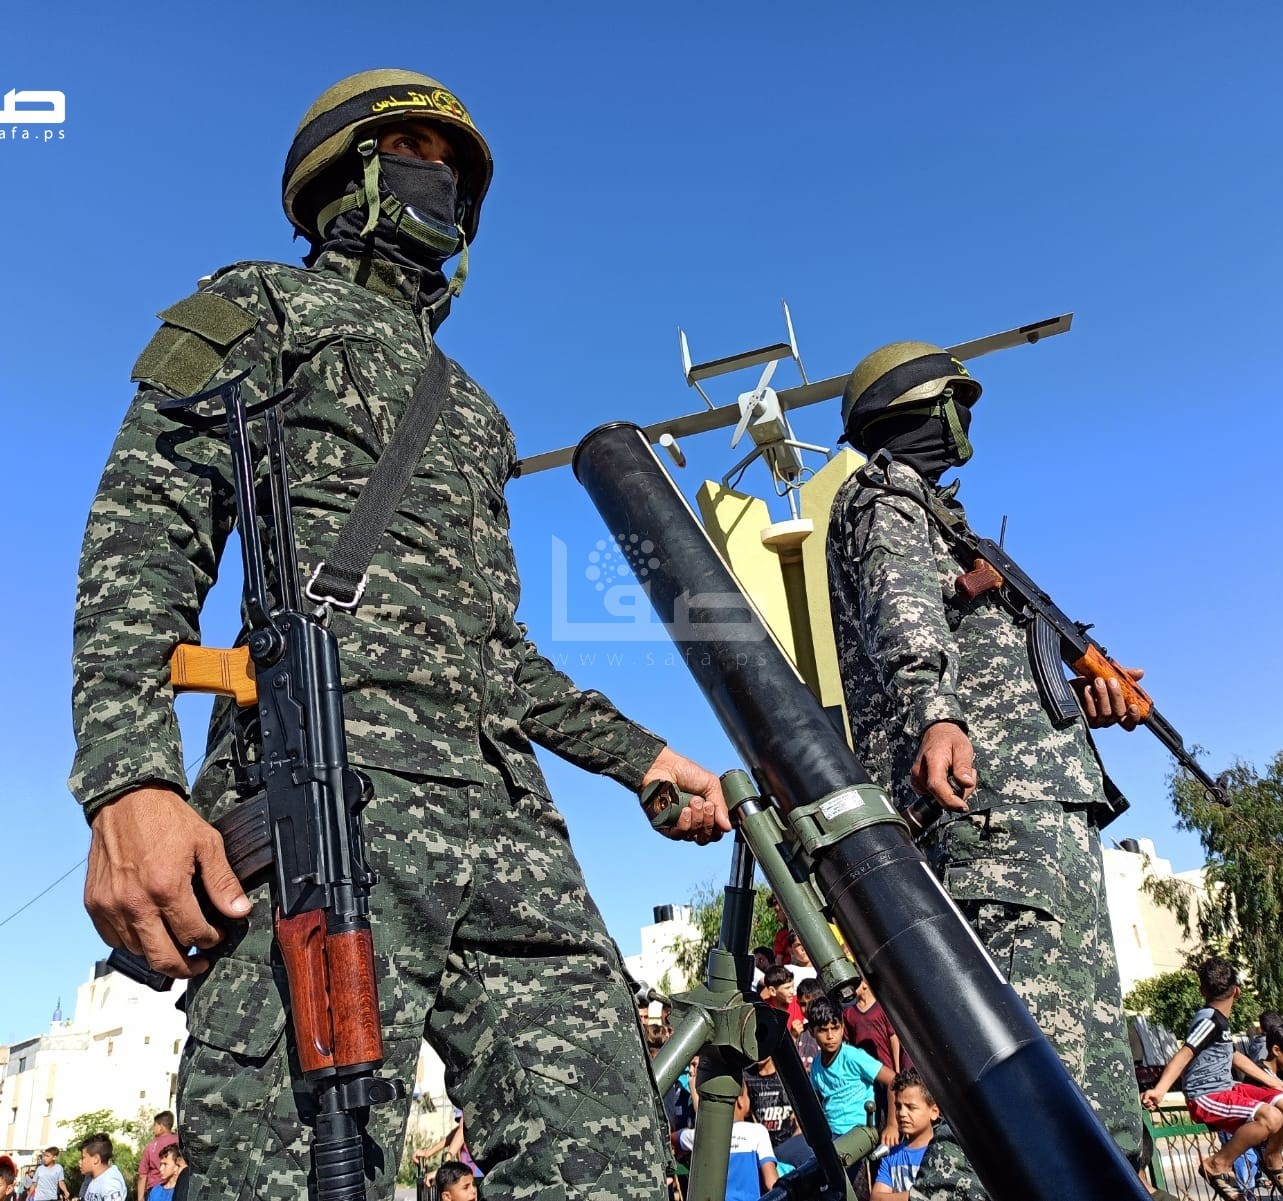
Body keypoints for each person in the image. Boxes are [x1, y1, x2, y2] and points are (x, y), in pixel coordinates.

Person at [69, 69, 730, 1201]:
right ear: (345, 177)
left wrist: (643, 759)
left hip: (507, 821)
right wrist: (130, 777)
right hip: (328, 792)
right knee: (291, 1170)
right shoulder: (260, 305)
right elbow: (143, 533)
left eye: (455, 168)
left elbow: (498, 649)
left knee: (609, 1156)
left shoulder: (472, 411)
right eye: (415, 153)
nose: (441, 182)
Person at [826, 341, 1149, 1197]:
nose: (965, 421)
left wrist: (1088, 691)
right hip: (989, 812)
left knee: (1094, 1094)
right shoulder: (883, 496)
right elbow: (903, 613)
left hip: (1045, 806)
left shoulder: (950, 524)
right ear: (918, 408)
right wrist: (935, 711)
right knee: (1018, 1084)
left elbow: (992, 660)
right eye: (955, 404)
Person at [1142, 959, 1283, 1201]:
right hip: (1206, 1095)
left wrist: (1275, 1083)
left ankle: (1273, 1157)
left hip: (1228, 1088)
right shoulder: (1209, 1021)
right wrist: (1160, 1090)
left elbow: (1234, 1056)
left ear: (1202, 990)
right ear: (1237, 991)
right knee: (1271, 1117)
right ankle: (1217, 1164)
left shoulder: (1220, 1022)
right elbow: (1185, 1053)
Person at [805, 997, 896, 1138]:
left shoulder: (852, 1056)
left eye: (835, 1028)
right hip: (832, 1133)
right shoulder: (816, 1064)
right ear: (812, 1032)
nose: (830, 1036)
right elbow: (815, 1103)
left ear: (842, 1028)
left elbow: (894, 1080)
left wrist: (892, 1125)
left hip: (861, 1132)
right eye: (823, 1030)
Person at [675, 1090, 778, 1201]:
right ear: (740, 1101)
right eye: (748, 1095)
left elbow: (674, 1138)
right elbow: (771, 1183)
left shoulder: (701, 1134)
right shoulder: (757, 1131)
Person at [845, 976, 905, 1148]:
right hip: (866, 1077)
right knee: (873, 1116)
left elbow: (893, 1038)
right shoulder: (848, 1013)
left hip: (886, 1071)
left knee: (892, 1112)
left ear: (864, 983)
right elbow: (849, 1044)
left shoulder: (881, 1009)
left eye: (854, 984)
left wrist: (896, 1069)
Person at [871, 1070, 939, 1199]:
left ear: (934, 1112)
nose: (902, 1113)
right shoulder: (891, 1156)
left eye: (911, 1107)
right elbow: (876, 1198)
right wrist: (919, 1196)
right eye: (898, 1106)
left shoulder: (943, 1152)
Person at [743, 1052, 797, 1150]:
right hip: (762, 1147)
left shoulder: (789, 1073)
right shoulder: (747, 1076)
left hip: (790, 1145)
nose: (760, 1052)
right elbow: (744, 1112)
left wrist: (791, 1147)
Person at [136, 1112, 177, 1201]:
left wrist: (140, 1198)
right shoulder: (179, 1143)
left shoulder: (151, 1147)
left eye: (154, 1125)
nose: (153, 1128)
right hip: (177, 1188)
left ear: (160, 1127)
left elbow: (142, 1175)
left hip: (154, 1192)